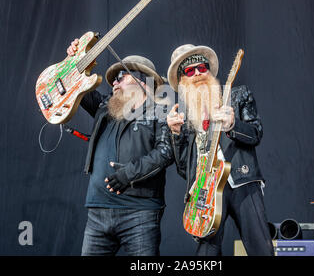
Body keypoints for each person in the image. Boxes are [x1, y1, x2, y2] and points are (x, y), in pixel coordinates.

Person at [66, 39, 174, 256]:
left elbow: (165, 152)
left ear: (142, 81)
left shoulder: (161, 111)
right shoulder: (106, 107)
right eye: (113, 79)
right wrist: (72, 60)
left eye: (120, 77)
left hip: (140, 214)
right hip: (97, 213)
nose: (113, 83)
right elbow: (75, 83)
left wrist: (129, 175)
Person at [166, 44, 274, 256]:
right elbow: (183, 169)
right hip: (206, 189)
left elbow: (256, 133)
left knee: (260, 246)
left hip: (240, 179)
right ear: (182, 80)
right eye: (189, 70)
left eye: (202, 67)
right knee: (206, 252)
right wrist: (176, 136)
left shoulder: (237, 95)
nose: (197, 73)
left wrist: (233, 126)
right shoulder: (184, 116)